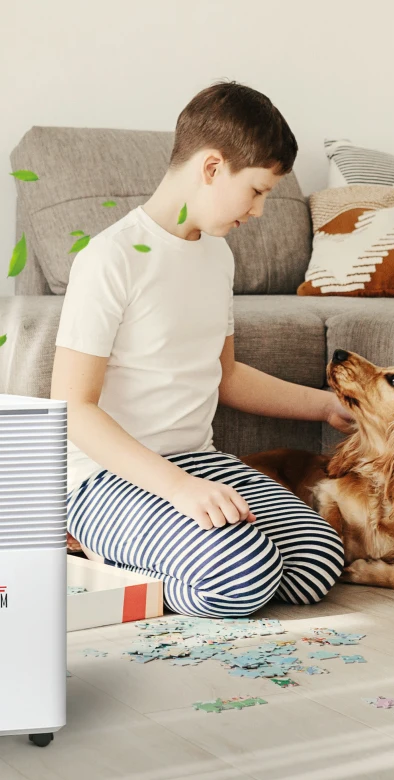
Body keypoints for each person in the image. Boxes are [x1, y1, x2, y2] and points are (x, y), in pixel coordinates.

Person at [50, 80, 355, 618]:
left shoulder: (217, 257)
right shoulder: (110, 258)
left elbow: (226, 375)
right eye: (256, 190)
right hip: (105, 479)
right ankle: (99, 557)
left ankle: (159, 557)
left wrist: (325, 405)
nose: (259, 210)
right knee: (245, 577)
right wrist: (179, 490)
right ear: (212, 167)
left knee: (319, 562)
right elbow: (73, 408)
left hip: (198, 461)